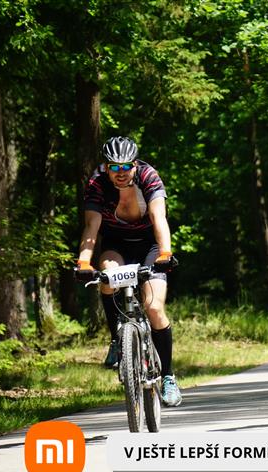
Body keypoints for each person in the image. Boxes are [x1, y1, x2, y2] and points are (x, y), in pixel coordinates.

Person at [74, 136, 182, 407]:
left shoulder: (148, 176)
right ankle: (116, 339)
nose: (120, 173)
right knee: (106, 278)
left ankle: (168, 376)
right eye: (114, 167)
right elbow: (91, 227)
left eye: (126, 167)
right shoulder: (97, 184)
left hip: (150, 245)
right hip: (117, 244)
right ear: (106, 167)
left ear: (135, 165)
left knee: (154, 308)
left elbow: (159, 217)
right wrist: (83, 262)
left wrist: (165, 254)